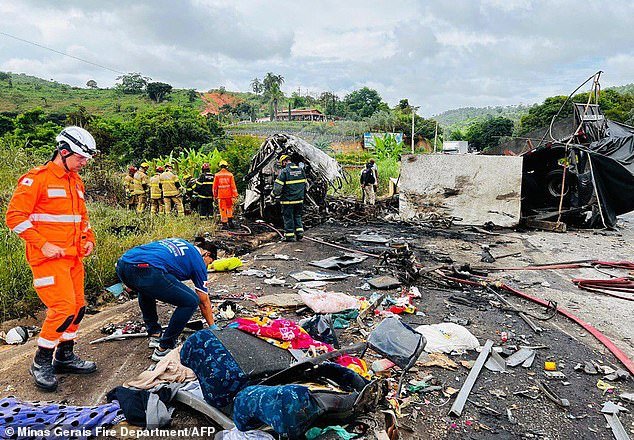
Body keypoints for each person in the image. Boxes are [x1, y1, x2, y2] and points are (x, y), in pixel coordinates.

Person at [5, 126, 98, 391]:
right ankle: (40, 361)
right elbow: (14, 218)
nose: (84, 163)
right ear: (64, 151)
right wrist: (42, 244)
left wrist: (88, 239)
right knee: (63, 309)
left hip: (73, 258)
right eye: (80, 158)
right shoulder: (37, 179)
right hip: (48, 259)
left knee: (78, 307)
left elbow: (82, 218)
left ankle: (64, 357)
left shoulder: (75, 181)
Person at [115, 238, 216, 361]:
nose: (207, 266)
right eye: (209, 263)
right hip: (147, 269)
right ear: (207, 254)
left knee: (146, 288)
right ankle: (164, 348)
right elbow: (203, 300)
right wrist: (213, 327)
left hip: (123, 264)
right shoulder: (198, 261)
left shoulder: (181, 242)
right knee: (191, 301)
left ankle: (154, 334)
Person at [272, 154, 306, 242]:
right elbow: (305, 185)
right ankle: (299, 233)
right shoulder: (301, 170)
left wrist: (273, 195)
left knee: (288, 217)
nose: (282, 165)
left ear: (284, 162)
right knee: (297, 216)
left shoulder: (284, 172)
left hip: (288, 200)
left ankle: (289, 236)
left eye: (281, 163)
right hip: (299, 200)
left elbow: (277, 188)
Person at [213, 160, 239, 229]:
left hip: (221, 196)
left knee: (222, 209)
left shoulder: (217, 175)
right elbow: (233, 186)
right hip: (229, 195)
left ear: (220, 166)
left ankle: (224, 224)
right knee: (229, 208)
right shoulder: (230, 175)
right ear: (226, 166)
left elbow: (215, 187)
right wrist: (235, 195)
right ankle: (230, 222)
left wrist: (215, 195)